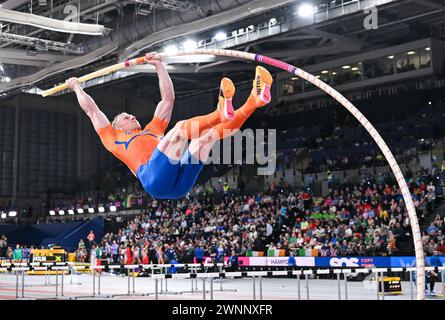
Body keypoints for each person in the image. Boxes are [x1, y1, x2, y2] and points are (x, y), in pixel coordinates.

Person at [66, 52, 273, 200]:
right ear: (117, 125)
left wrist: (159, 66)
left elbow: (168, 99)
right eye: (126, 117)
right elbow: (92, 110)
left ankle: (255, 100)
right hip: (153, 179)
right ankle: (220, 113)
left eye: (131, 114)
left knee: (206, 138)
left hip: (178, 185)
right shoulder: (112, 137)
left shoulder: (152, 128)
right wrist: (76, 87)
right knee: (179, 130)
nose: (132, 116)